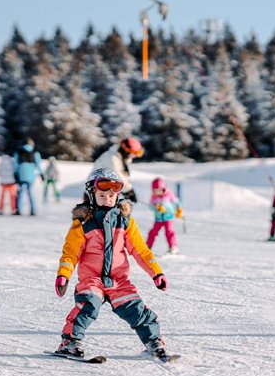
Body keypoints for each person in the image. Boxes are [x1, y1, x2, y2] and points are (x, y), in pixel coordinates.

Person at [53, 168, 172, 360]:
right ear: (92, 195)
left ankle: (154, 341)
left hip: (119, 280)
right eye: (102, 195)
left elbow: (140, 250)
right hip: (92, 280)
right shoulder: (82, 224)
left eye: (112, 195)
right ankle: (70, 341)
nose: (108, 199)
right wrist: (63, 275)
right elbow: (70, 253)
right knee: (87, 306)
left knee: (136, 309)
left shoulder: (124, 221)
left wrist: (156, 273)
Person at [92, 137, 144, 203]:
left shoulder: (120, 158)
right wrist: (128, 191)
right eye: (134, 153)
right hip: (97, 194)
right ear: (126, 151)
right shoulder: (112, 158)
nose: (134, 156)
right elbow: (118, 177)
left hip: (107, 193)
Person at [147, 177, 182, 254]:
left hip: (168, 217)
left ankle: (173, 247)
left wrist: (179, 209)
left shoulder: (168, 194)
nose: (158, 193)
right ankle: (148, 246)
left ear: (163, 188)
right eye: (155, 191)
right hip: (158, 218)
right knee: (153, 232)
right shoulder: (154, 197)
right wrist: (155, 207)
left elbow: (176, 202)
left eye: (159, 190)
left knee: (169, 231)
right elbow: (150, 206)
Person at [14, 138, 43, 216]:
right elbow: (39, 165)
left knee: (20, 193)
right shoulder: (35, 152)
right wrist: (41, 174)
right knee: (31, 193)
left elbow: (15, 165)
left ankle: (18, 210)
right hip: (31, 176)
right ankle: (33, 210)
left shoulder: (18, 152)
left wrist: (15, 174)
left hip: (21, 175)